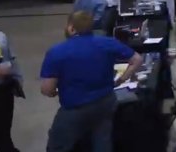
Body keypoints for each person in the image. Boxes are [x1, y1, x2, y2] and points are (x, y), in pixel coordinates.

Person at [40, 11, 143, 151]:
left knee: (58, 145)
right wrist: (121, 79)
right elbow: (137, 59)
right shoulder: (107, 43)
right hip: (106, 101)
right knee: (102, 140)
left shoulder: (56, 52)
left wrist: (54, 91)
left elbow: (47, 89)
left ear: (71, 28)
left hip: (74, 109)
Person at [0, 29, 22, 152]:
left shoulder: (0, 38)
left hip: (1, 92)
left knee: (2, 137)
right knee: (2, 137)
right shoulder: (0, 36)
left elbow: (9, 64)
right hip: (2, 92)